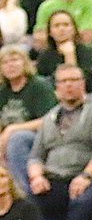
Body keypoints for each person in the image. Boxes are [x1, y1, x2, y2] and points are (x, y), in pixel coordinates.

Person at [27, 64, 92, 220]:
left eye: (73, 80)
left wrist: (86, 176)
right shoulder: (49, 118)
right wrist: (36, 177)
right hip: (56, 178)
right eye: (63, 81)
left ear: (83, 83)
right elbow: (36, 155)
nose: (69, 85)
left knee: (82, 202)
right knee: (30, 204)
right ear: (57, 87)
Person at [0, 43, 54, 202]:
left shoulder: (39, 86)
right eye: (5, 62)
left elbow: (49, 119)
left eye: (15, 60)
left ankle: (25, 197)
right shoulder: (2, 91)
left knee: (17, 138)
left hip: (40, 139)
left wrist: (12, 130)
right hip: (7, 142)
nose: (10, 65)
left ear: (25, 63)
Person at [37, 9, 92, 93]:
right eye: (56, 26)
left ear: (74, 29)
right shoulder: (45, 55)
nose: (61, 29)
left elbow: (85, 83)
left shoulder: (86, 51)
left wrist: (69, 56)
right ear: (50, 32)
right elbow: (43, 84)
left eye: (66, 25)